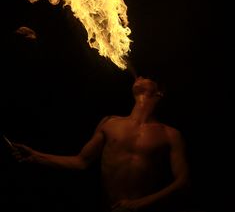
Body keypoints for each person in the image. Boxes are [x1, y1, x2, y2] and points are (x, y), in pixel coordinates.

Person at [11, 76, 191, 212]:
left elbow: (183, 182)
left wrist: (139, 204)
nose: (140, 76)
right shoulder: (109, 123)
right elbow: (81, 161)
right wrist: (35, 156)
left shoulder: (171, 134)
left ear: (160, 92)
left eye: (147, 77)